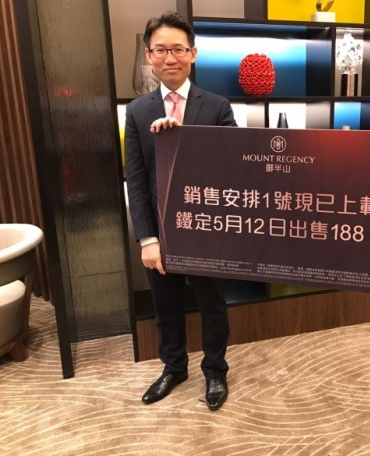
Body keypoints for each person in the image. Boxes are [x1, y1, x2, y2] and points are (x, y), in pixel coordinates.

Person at [125, 12, 237, 411]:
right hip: (161, 233)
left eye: (177, 49)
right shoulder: (137, 112)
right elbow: (136, 179)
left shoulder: (218, 107)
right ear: (148, 55)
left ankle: (215, 370)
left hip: (205, 227)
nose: (169, 58)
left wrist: (183, 140)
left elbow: (232, 168)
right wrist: (147, 239)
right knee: (166, 306)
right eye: (161, 50)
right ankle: (174, 368)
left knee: (212, 306)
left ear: (193, 54)